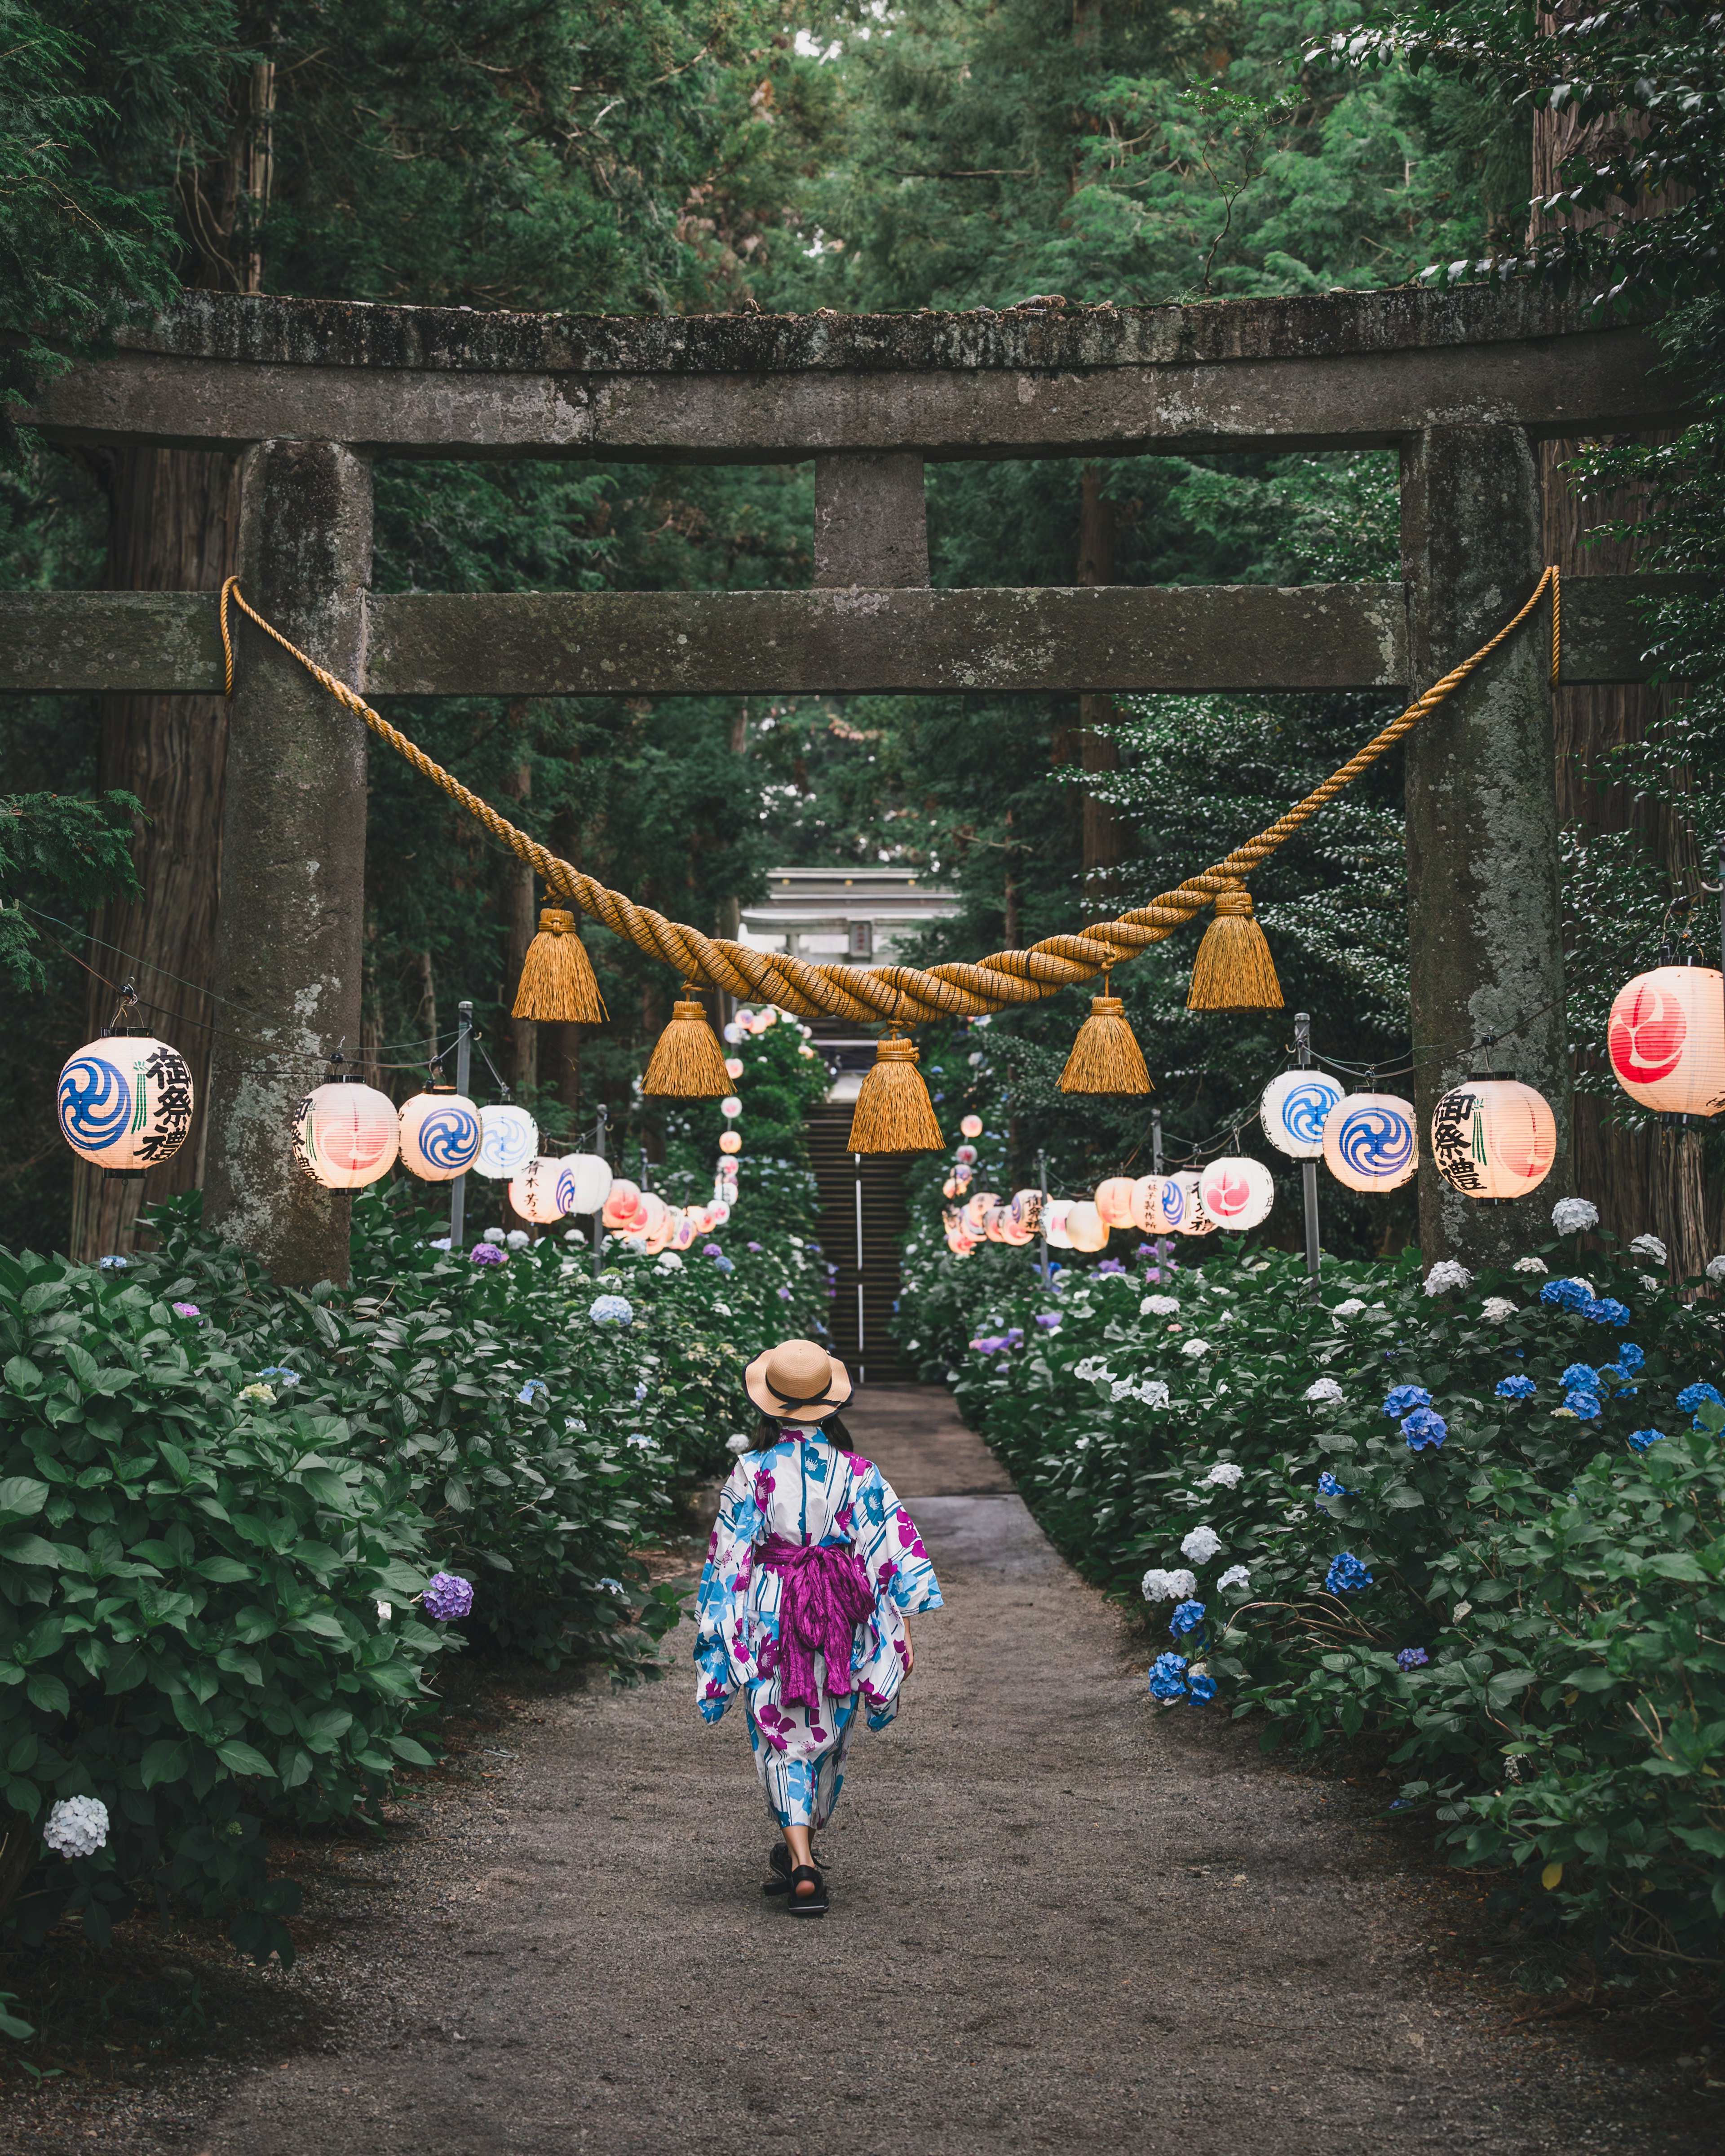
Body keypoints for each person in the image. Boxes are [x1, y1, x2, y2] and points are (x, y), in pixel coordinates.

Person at [694, 1337, 942, 1917]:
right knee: (827, 1733)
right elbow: (890, 1547)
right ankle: (803, 1854)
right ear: (830, 1405)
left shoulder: (750, 1472)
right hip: (839, 1612)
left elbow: (728, 1558)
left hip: (771, 1612)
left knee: (782, 1735)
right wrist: (899, 1621)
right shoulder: (858, 1472)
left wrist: (719, 1637)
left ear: (768, 1406)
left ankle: (799, 1856)